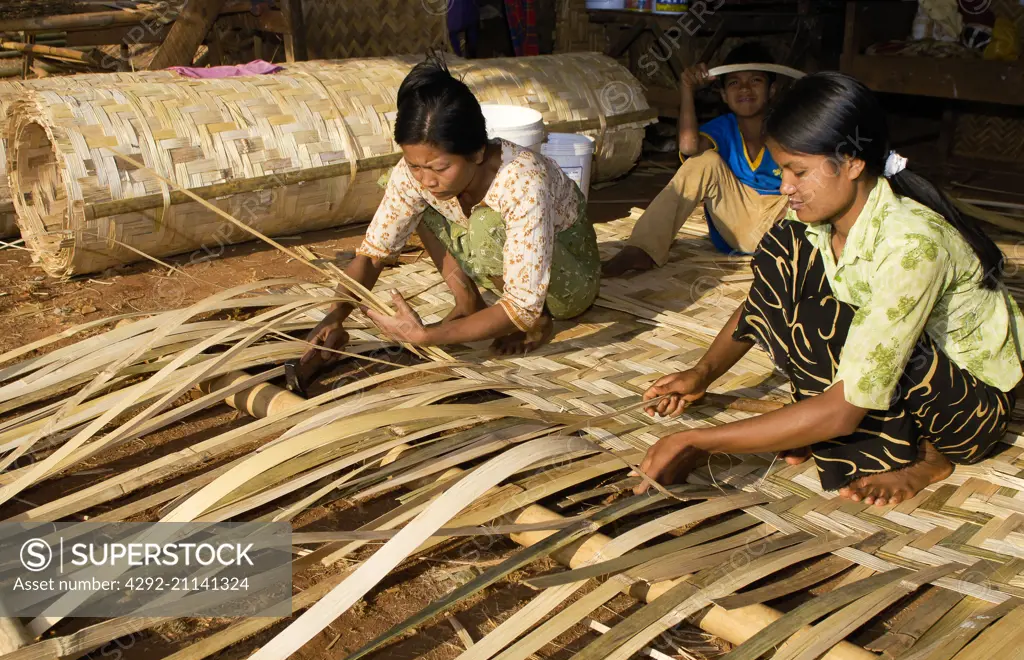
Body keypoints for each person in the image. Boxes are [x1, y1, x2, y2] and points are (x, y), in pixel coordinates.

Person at [634, 72, 1024, 507]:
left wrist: (699, 442)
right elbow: (761, 302)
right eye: (783, 169)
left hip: (963, 410)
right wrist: (702, 373)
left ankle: (928, 459)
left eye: (798, 171)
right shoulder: (814, 223)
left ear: (852, 163)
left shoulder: (912, 245)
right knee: (787, 253)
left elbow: (846, 406)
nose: (785, 186)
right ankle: (814, 425)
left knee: (831, 320)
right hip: (890, 388)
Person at [293, 55, 600, 392]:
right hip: (501, 254)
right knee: (414, 200)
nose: (427, 178)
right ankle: (468, 301)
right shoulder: (417, 176)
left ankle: (541, 322)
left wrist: (426, 335)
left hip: (568, 282)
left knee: (486, 228)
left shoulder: (522, 181)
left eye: (439, 168)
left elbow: (521, 306)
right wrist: (337, 314)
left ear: (478, 153)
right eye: (415, 165)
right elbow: (373, 254)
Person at [602, 42, 788, 277]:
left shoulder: (786, 128)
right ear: (723, 95)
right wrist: (687, 90)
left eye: (756, 81)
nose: (744, 89)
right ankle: (641, 249)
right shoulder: (723, 128)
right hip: (738, 223)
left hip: (782, 225)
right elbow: (689, 147)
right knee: (703, 161)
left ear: (772, 90)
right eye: (734, 83)